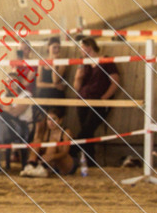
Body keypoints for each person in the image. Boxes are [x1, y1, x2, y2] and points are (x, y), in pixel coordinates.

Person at [72, 37, 120, 165]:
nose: (81, 50)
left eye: (82, 47)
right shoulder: (83, 63)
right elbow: (76, 86)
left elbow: (115, 82)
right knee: (87, 131)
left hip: (98, 100)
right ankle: (91, 161)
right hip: (83, 99)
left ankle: (71, 149)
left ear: (89, 46)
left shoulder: (106, 60)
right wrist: (78, 76)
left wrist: (104, 98)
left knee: (87, 129)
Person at [20, 107, 74, 178]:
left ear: (60, 120)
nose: (51, 122)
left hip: (64, 164)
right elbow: (35, 145)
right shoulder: (46, 131)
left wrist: (53, 156)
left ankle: (44, 167)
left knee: (53, 142)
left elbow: (65, 152)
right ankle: (31, 165)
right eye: (49, 119)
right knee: (37, 141)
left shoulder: (66, 132)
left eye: (54, 119)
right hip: (50, 164)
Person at [35, 37, 67, 117]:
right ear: (48, 48)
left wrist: (54, 64)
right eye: (54, 47)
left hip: (56, 95)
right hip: (44, 94)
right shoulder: (42, 63)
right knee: (40, 122)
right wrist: (53, 86)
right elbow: (38, 83)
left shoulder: (62, 63)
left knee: (53, 122)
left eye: (58, 47)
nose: (57, 50)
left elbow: (55, 80)